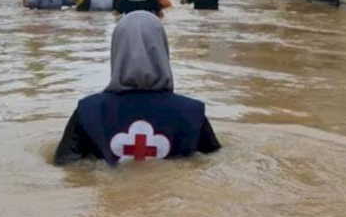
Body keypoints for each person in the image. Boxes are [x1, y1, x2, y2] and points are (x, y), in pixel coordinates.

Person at [54, 11, 222, 166]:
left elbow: (66, 166)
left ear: (117, 50)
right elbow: (214, 162)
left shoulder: (88, 110)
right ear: (163, 50)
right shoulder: (192, 111)